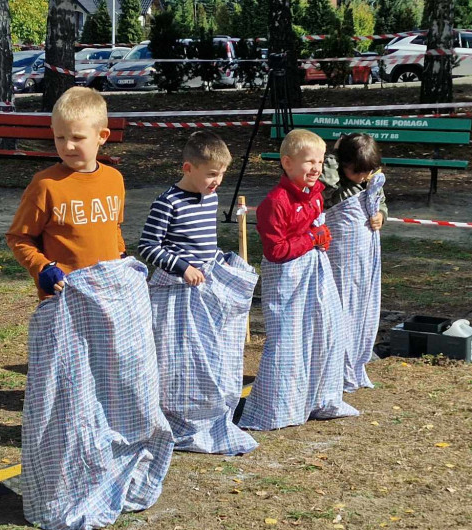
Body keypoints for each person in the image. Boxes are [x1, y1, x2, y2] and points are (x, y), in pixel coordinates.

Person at [6, 87, 173, 530]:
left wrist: (121, 267)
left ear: (102, 136)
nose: (66, 146)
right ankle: (69, 478)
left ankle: (118, 470)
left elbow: (113, 238)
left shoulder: (114, 181)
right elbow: (19, 238)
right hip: (67, 308)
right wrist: (42, 269)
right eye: (59, 138)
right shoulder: (45, 185)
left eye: (76, 138)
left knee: (119, 389)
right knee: (72, 399)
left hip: (111, 308)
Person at [138, 131, 258, 455]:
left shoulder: (212, 197)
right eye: (211, 174)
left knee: (210, 355)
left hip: (205, 288)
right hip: (177, 292)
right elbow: (147, 246)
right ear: (189, 168)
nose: (217, 181)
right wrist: (182, 267)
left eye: (221, 174)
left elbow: (206, 241)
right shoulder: (167, 202)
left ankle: (207, 418)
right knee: (180, 357)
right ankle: (176, 419)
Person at [238, 129, 358, 431]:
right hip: (288, 280)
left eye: (319, 161)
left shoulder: (316, 194)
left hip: (315, 274)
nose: (316, 168)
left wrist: (320, 240)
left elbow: (315, 231)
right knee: (287, 341)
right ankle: (277, 406)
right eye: (308, 162)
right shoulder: (275, 203)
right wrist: (311, 239)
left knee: (325, 331)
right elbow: (276, 251)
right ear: (287, 163)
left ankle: (320, 397)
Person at [322, 133, 385, 392]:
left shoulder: (371, 182)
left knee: (362, 304)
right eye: (356, 171)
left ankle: (357, 357)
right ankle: (335, 361)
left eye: (367, 172)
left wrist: (381, 214)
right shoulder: (336, 183)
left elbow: (381, 201)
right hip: (339, 255)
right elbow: (324, 184)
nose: (362, 177)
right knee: (339, 304)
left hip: (364, 256)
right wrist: (334, 156)